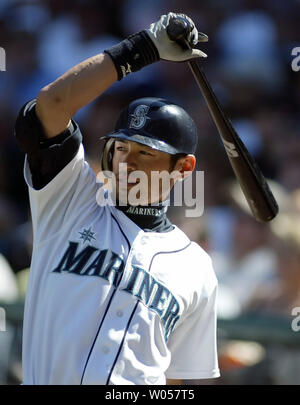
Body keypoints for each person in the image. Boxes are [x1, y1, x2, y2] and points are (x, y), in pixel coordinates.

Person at [14, 13, 220, 385]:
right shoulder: (70, 202)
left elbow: (180, 381)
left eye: (146, 153)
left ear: (184, 168)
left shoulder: (198, 269)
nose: (125, 162)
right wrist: (143, 49)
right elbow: (49, 106)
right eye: (120, 148)